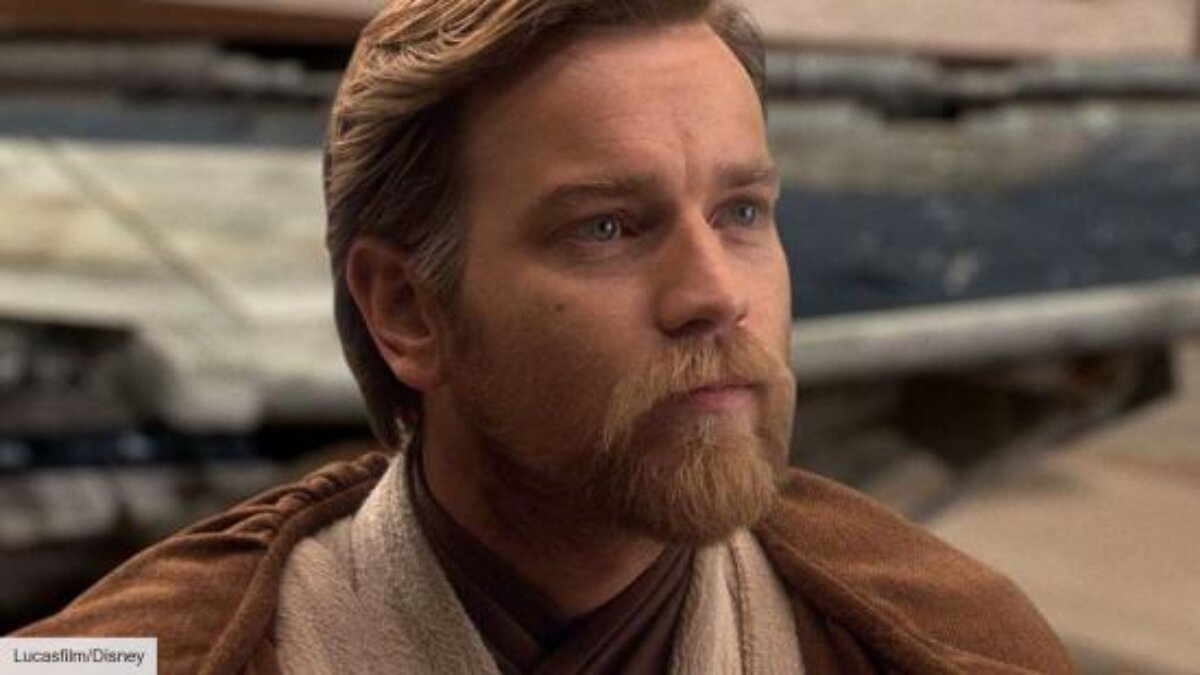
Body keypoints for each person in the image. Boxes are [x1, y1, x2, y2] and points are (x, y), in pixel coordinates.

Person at [17, 0, 1077, 673]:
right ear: (407, 310)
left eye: (742, 212)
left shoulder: (952, 645)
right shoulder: (152, 654)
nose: (716, 295)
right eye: (606, 228)